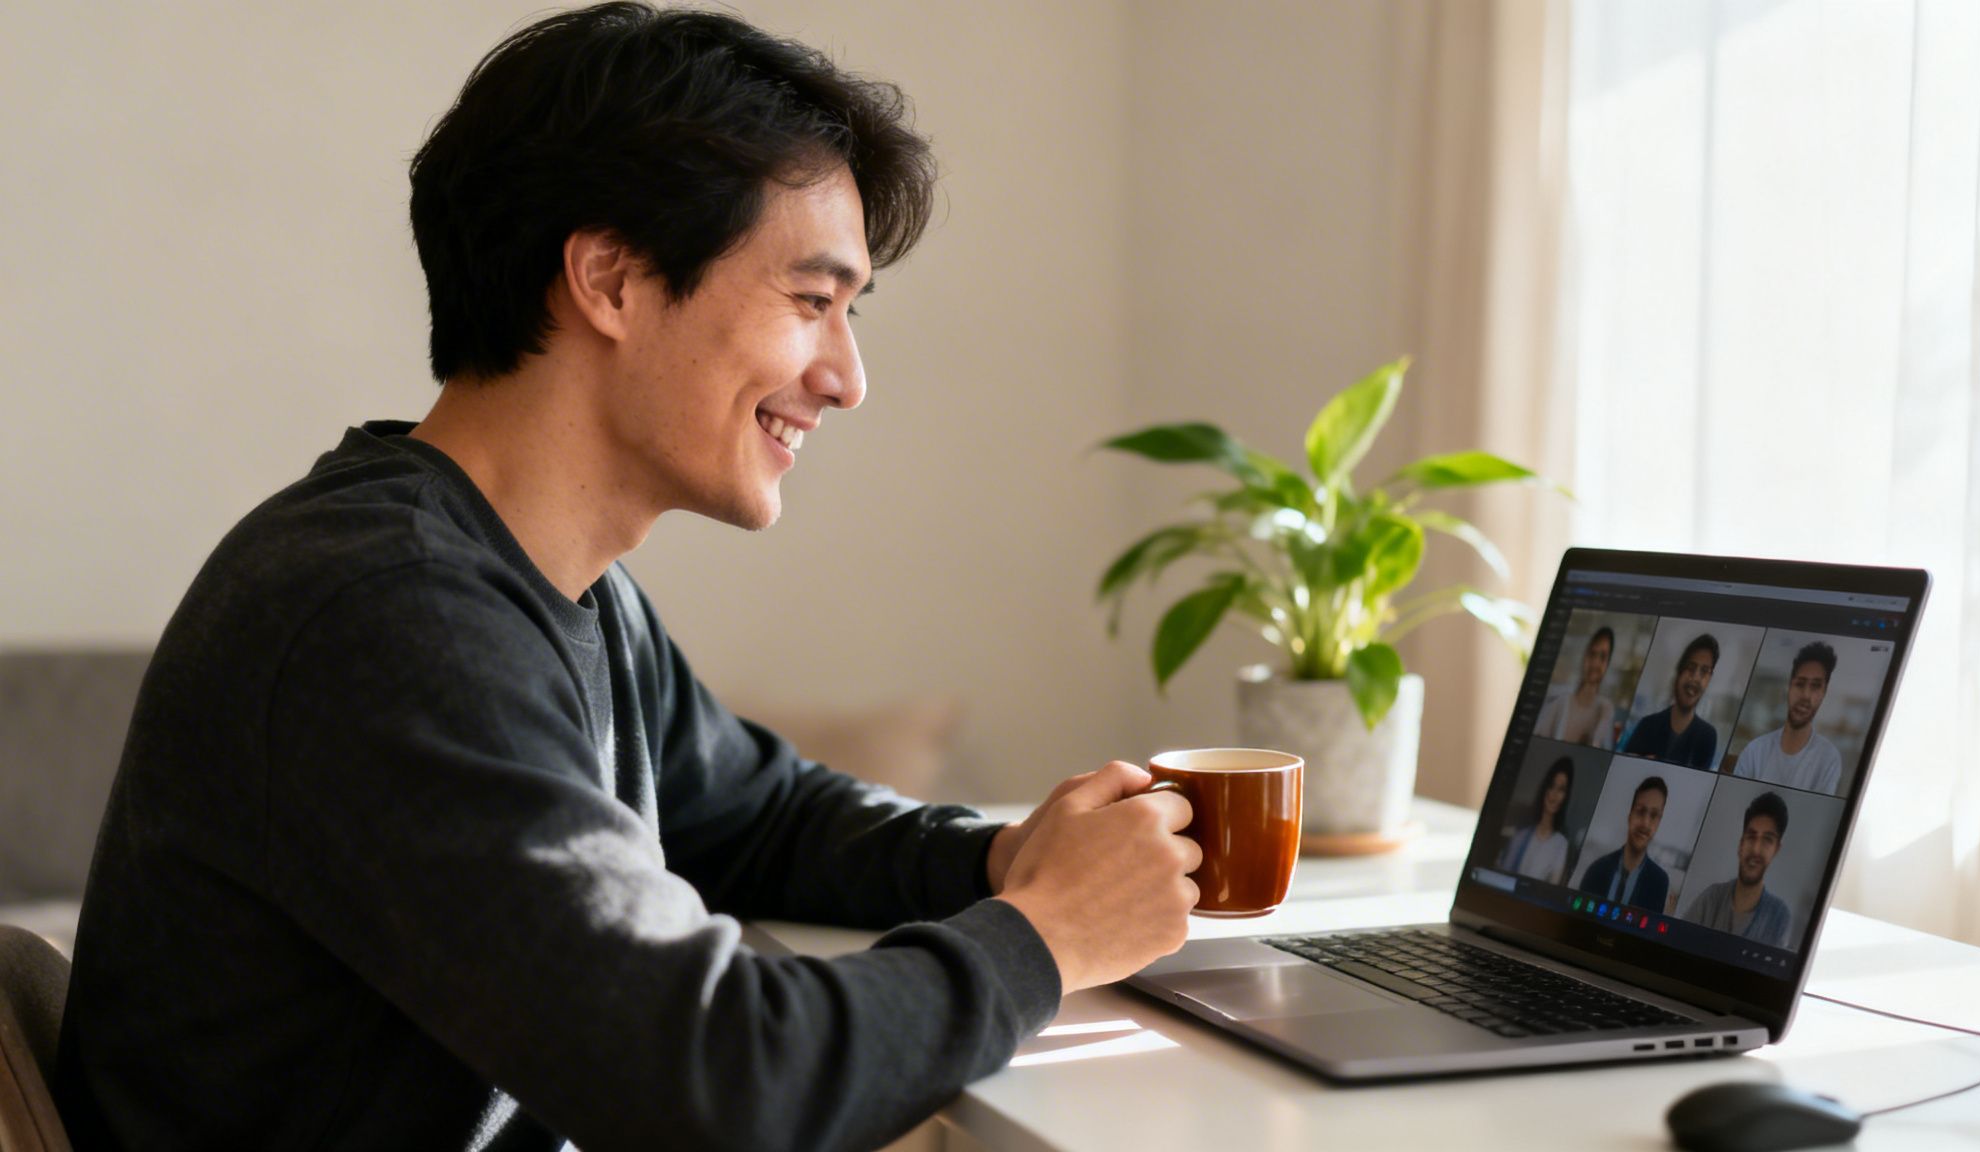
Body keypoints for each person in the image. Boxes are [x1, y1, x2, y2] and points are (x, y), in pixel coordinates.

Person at [53, 7, 1201, 1150]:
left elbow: (762, 818)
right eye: (811, 302)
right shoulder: (383, 612)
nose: (846, 377)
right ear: (608, 279)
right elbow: (713, 1081)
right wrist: (1043, 935)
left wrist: (1001, 857)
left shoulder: (548, 585)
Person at [1682, 792, 1795, 947]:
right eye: (1751, 837)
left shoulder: (1780, 917)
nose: (1756, 849)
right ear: (1741, 844)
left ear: (1776, 850)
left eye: (1767, 840)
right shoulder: (1711, 898)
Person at [1731, 642, 1844, 795]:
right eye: (1800, 684)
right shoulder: (1754, 751)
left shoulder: (1828, 759)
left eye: (1815, 686)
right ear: (1789, 687)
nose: (1806, 695)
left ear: (1823, 693)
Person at [1622, 633, 1721, 769]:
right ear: (1679, 673)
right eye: (1690, 668)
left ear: (1709, 679)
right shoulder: (1647, 726)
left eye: (1704, 671)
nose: (1695, 678)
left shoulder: (1708, 737)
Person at [1576, 776, 1671, 913]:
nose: (1645, 823)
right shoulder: (1596, 870)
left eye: (1654, 815)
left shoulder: (1660, 882)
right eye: (1640, 811)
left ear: (1659, 822)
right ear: (1630, 815)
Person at [1535, 626, 1617, 748]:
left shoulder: (1606, 710)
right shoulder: (1559, 701)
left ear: (1607, 664)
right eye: (1592, 654)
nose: (1595, 663)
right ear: (1584, 656)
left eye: (1603, 657)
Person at [1497, 758, 1574, 884]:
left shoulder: (1561, 844)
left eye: (1561, 789)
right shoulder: (1520, 835)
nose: (1554, 795)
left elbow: (1551, 889)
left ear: (1566, 796)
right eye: (1552, 786)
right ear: (1545, 789)